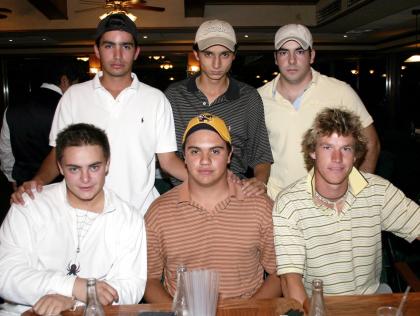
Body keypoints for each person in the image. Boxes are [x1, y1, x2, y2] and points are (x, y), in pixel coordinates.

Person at [10, 13, 186, 214]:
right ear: (97, 50)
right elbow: (58, 152)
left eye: (126, 46)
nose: (117, 55)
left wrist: (214, 182)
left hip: (140, 214)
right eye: (109, 46)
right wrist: (36, 182)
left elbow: (168, 161)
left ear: (136, 52)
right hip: (84, 214)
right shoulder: (73, 96)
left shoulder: (156, 99)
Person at [273, 108, 419, 310]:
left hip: (371, 303)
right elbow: (291, 281)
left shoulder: (378, 191)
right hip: (317, 307)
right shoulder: (290, 203)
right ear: (312, 151)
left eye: (346, 149)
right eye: (327, 147)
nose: (337, 158)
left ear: (356, 154)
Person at [0, 123, 147, 315]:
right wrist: (74, 286)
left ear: (108, 164)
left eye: (94, 167)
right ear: (60, 167)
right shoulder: (30, 205)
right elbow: (6, 274)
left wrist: (74, 301)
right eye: (74, 169)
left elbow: (131, 287)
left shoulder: (129, 217)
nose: (85, 179)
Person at [144, 113, 282, 302]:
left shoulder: (259, 206)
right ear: (184, 156)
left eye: (215, 151)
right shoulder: (159, 211)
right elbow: (148, 280)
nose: (205, 160)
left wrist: (248, 312)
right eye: (195, 151)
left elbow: (280, 274)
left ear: (229, 155)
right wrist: (177, 313)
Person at [258, 24, 380, 200]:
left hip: (329, 202)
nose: (291, 60)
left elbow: (371, 143)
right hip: (277, 202)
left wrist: (358, 194)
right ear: (276, 58)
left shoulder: (340, 92)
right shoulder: (259, 98)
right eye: (284, 52)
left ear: (311, 55)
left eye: (299, 52)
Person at [165, 19, 273, 196]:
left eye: (224, 54)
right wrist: (210, 184)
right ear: (196, 54)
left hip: (233, 195)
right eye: (208, 54)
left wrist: (259, 181)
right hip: (184, 193)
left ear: (234, 55)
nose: (216, 64)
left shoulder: (249, 98)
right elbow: (167, 158)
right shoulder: (174, 96)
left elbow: (261, 155)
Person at [0, 60, 79, 189]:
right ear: (64, 80)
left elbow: (6, 150)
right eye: (76, 84)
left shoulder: (13, 107)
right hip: (59, 184)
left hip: (24, 184)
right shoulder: (67, 107)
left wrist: (11, 177)